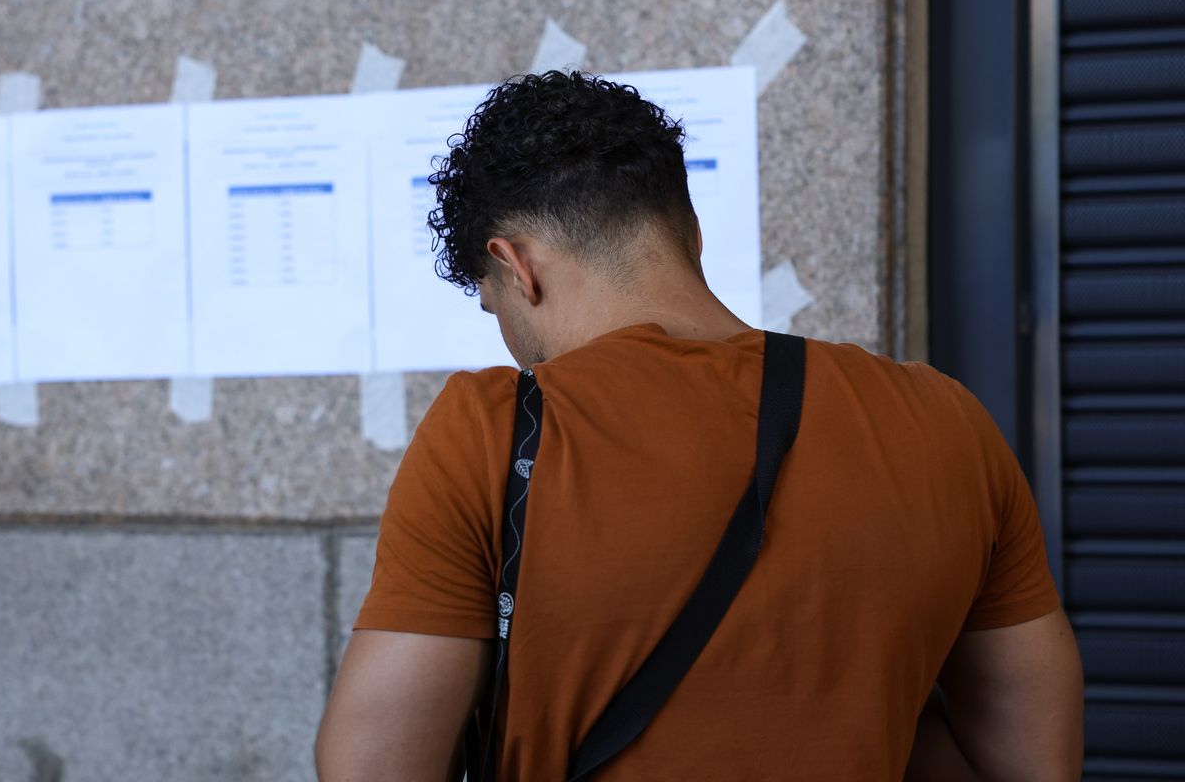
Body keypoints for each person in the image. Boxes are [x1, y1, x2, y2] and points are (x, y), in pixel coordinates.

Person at [313, 71, 1083, 781]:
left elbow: (373, 767)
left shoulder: (490, 432)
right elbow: (1031, 762)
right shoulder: (945, 421)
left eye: (495, 306)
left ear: (517, 267)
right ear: (691, 234)